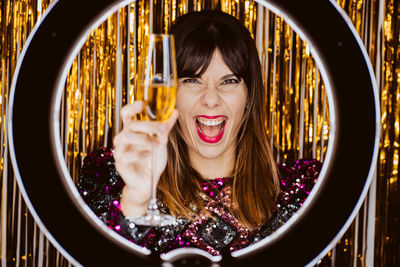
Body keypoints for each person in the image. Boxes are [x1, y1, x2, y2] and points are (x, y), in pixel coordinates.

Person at [77, 10, 321, 256]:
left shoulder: (301, 194)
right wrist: (136, 201)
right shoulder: (113, 177)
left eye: (229, 81)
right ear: (170, 92)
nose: (211, 100)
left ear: (249, 95)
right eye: (192, 80)